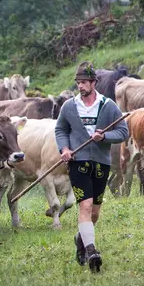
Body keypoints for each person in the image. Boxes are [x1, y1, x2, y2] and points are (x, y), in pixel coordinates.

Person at [54, 62, 128, 273]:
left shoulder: (108, 106)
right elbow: (60, 130)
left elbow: (123, 132)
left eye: (84, 82)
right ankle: (92, 251)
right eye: (78, 82)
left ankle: (81, 238)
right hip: (78, 163)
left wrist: (104, 136)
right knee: (84, 207)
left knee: (94, 212)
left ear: (94, 82)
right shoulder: (69, 106)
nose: (81, 86)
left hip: (101, 164)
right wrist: (65, 149)